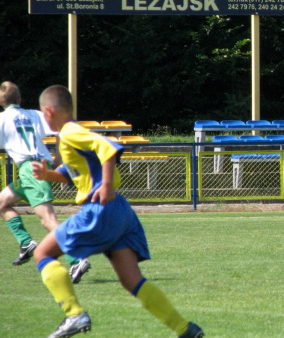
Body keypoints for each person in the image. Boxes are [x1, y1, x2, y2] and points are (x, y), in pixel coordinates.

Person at [32, 85, 204, 338]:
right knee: (131, 280)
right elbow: (77, 175)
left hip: (99, 209)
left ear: (48, 111)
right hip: (120, 213)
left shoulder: (69, 132)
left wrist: (107, 186)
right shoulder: (71, 135)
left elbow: (108, 148)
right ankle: (185, 329)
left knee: (42, 253)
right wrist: (48, 175)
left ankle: (74, 314)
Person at [0, 81, 91, 282]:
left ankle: (76, 259)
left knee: (48, 220)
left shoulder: (2, 119)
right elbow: (61, 128)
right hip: (39, 166)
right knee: (2, 201)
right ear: (19, 99)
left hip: (30, 169)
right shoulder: (34, 114)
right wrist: (58, 158)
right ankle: (26, 243)